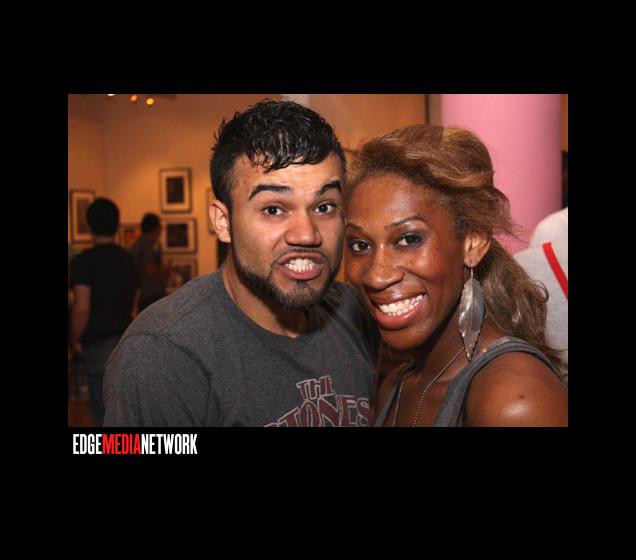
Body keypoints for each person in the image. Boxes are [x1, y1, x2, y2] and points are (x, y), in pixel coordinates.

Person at [103, 100, 379, 427]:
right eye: (273, 209)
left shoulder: (356, 312)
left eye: (324, 207)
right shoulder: (162, 355)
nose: (307, 234)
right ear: (223, 222)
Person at [344, 124, 568, 427]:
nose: (377, 275)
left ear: (473, 241)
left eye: (409, 239)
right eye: (360, 245)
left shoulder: (515, 401)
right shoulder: (397, 382)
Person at [69, 198, 140, 426]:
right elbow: (134, 306)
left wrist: (74, 338)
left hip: (97, 345)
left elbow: (82, 308)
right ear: (117, 225)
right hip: (127, 342)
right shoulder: (128, 259)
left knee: (102, 416)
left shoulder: (83, 262)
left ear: (89, 226)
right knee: (127, 414)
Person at [128, 213, 170, 312]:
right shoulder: (146, 245)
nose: (160, 231)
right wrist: (166, 270)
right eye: (159, 228)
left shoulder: (137, 244)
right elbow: (150, 270)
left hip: (142, 295)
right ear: (155, 229)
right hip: (150, 295)